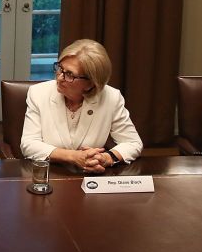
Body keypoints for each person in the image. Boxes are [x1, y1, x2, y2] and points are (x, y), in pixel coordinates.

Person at [20, 39, 143, 173]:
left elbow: (133, 143)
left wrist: (105, 158)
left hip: (91, 177)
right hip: (50, 174)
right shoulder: (39, 93)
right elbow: (29, 145)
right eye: (60, 68)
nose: (60, 77)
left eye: (69, 74)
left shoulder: (111, 98)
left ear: (91, 83)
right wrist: (73, 157)